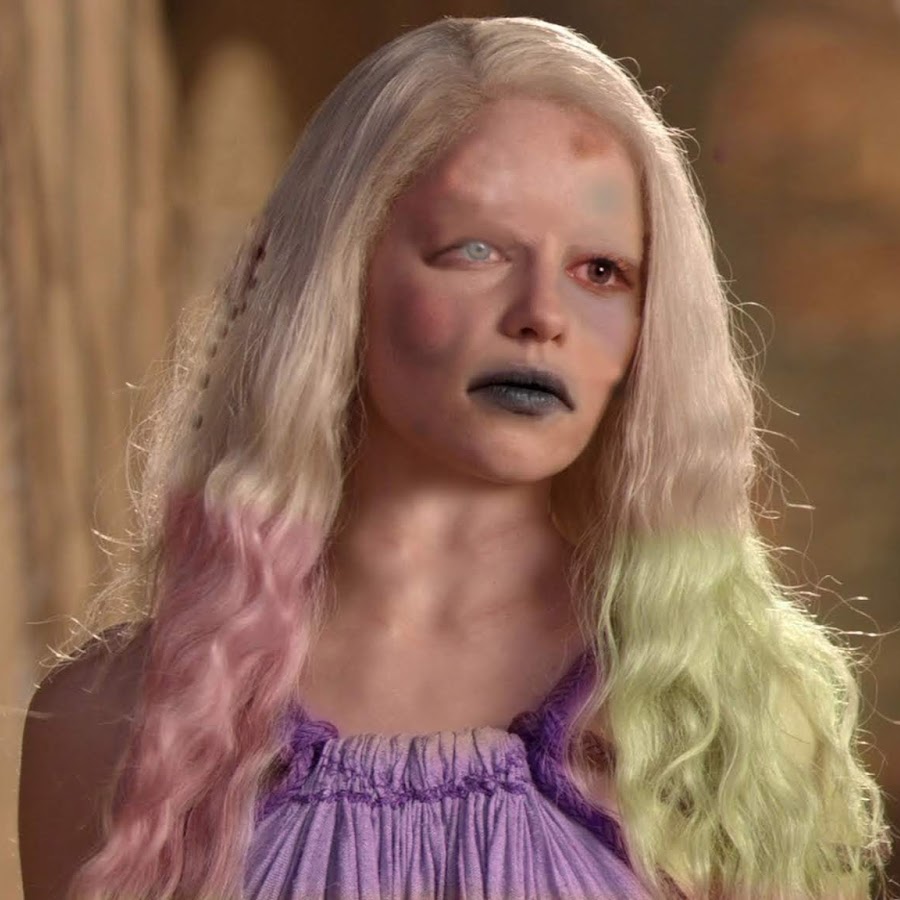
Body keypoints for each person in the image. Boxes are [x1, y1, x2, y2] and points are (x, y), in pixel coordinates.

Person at [18, 15, 892, 900]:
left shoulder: (732, 719)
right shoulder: (113, 728)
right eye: (476, 249)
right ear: (339, 278)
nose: (541, 315)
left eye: (600, 271)